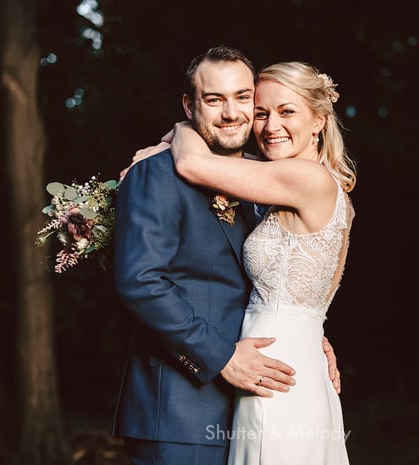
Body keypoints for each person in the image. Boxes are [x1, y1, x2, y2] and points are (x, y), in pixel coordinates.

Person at [112, 46, 340, 465]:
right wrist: (224, 357)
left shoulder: (267, 180)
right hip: (180, 413)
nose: (231, 112)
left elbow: (274, 279)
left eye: (243, 97)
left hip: (261, 403)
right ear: (189, 105)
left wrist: (309, 336)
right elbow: (140, 281)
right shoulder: (156, 172)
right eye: (214, 99)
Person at [164, 60, 356, 464]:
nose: (271, 127)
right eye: (262, 113)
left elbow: (192, 164)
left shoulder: (307, 180)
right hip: (290, 357)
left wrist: (183, 128)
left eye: (287, 112)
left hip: (274, 369)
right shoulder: (304, 183)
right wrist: (313, 337)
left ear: (319, 120)